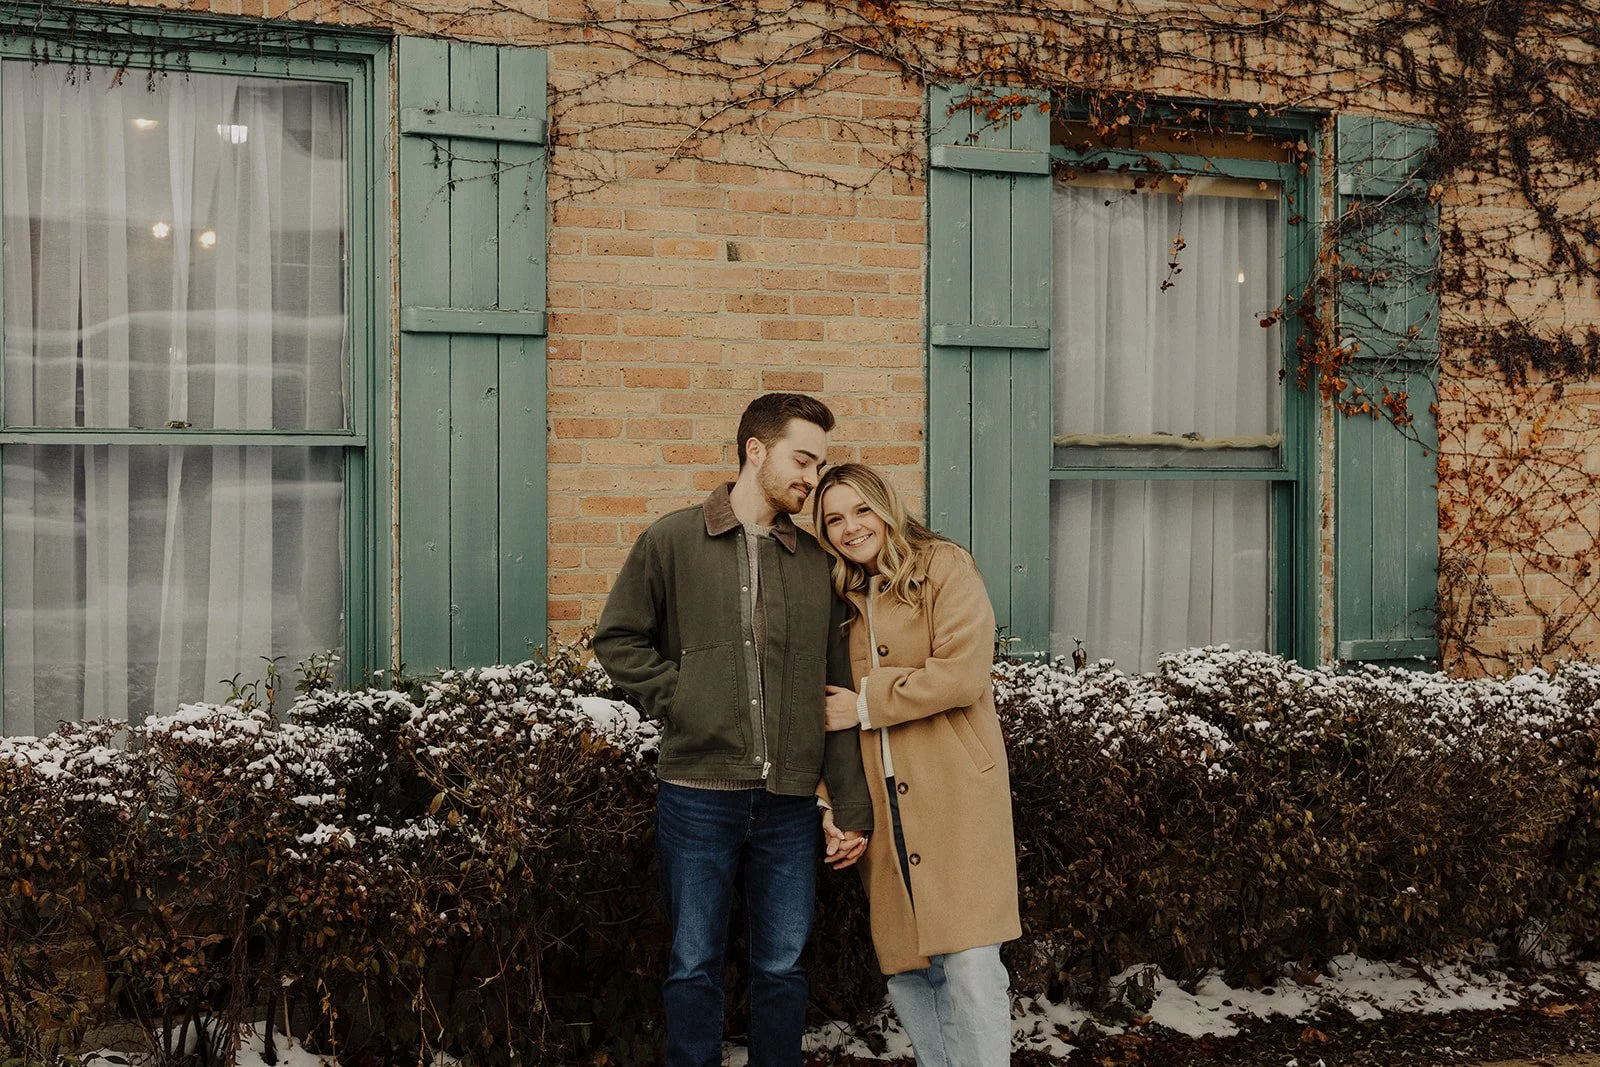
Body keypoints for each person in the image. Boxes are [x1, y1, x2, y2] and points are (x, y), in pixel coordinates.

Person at [594, 393, 873, 1067]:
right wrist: (685, 697)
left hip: (786, 804)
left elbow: (833, 693)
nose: (812, 477)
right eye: (802, 459)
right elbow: (618, 639)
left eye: (819, 463)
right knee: (693, 964)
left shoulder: (813, 564)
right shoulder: (672, 539)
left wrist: (849, 805)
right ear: (755, 449)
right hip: (696, 796)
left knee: (782, 966)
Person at [812, 462, 1020, 1067]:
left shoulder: (945, 567)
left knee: (973, 965)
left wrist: (870, 702)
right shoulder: (837, 597)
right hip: (884, 807)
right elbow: (826, 713)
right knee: (908, 971)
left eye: (861, 510)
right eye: (834, 520)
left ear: (886, 507)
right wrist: (831, 802)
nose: (851, 528)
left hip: (956, 798)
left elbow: (961, 673)